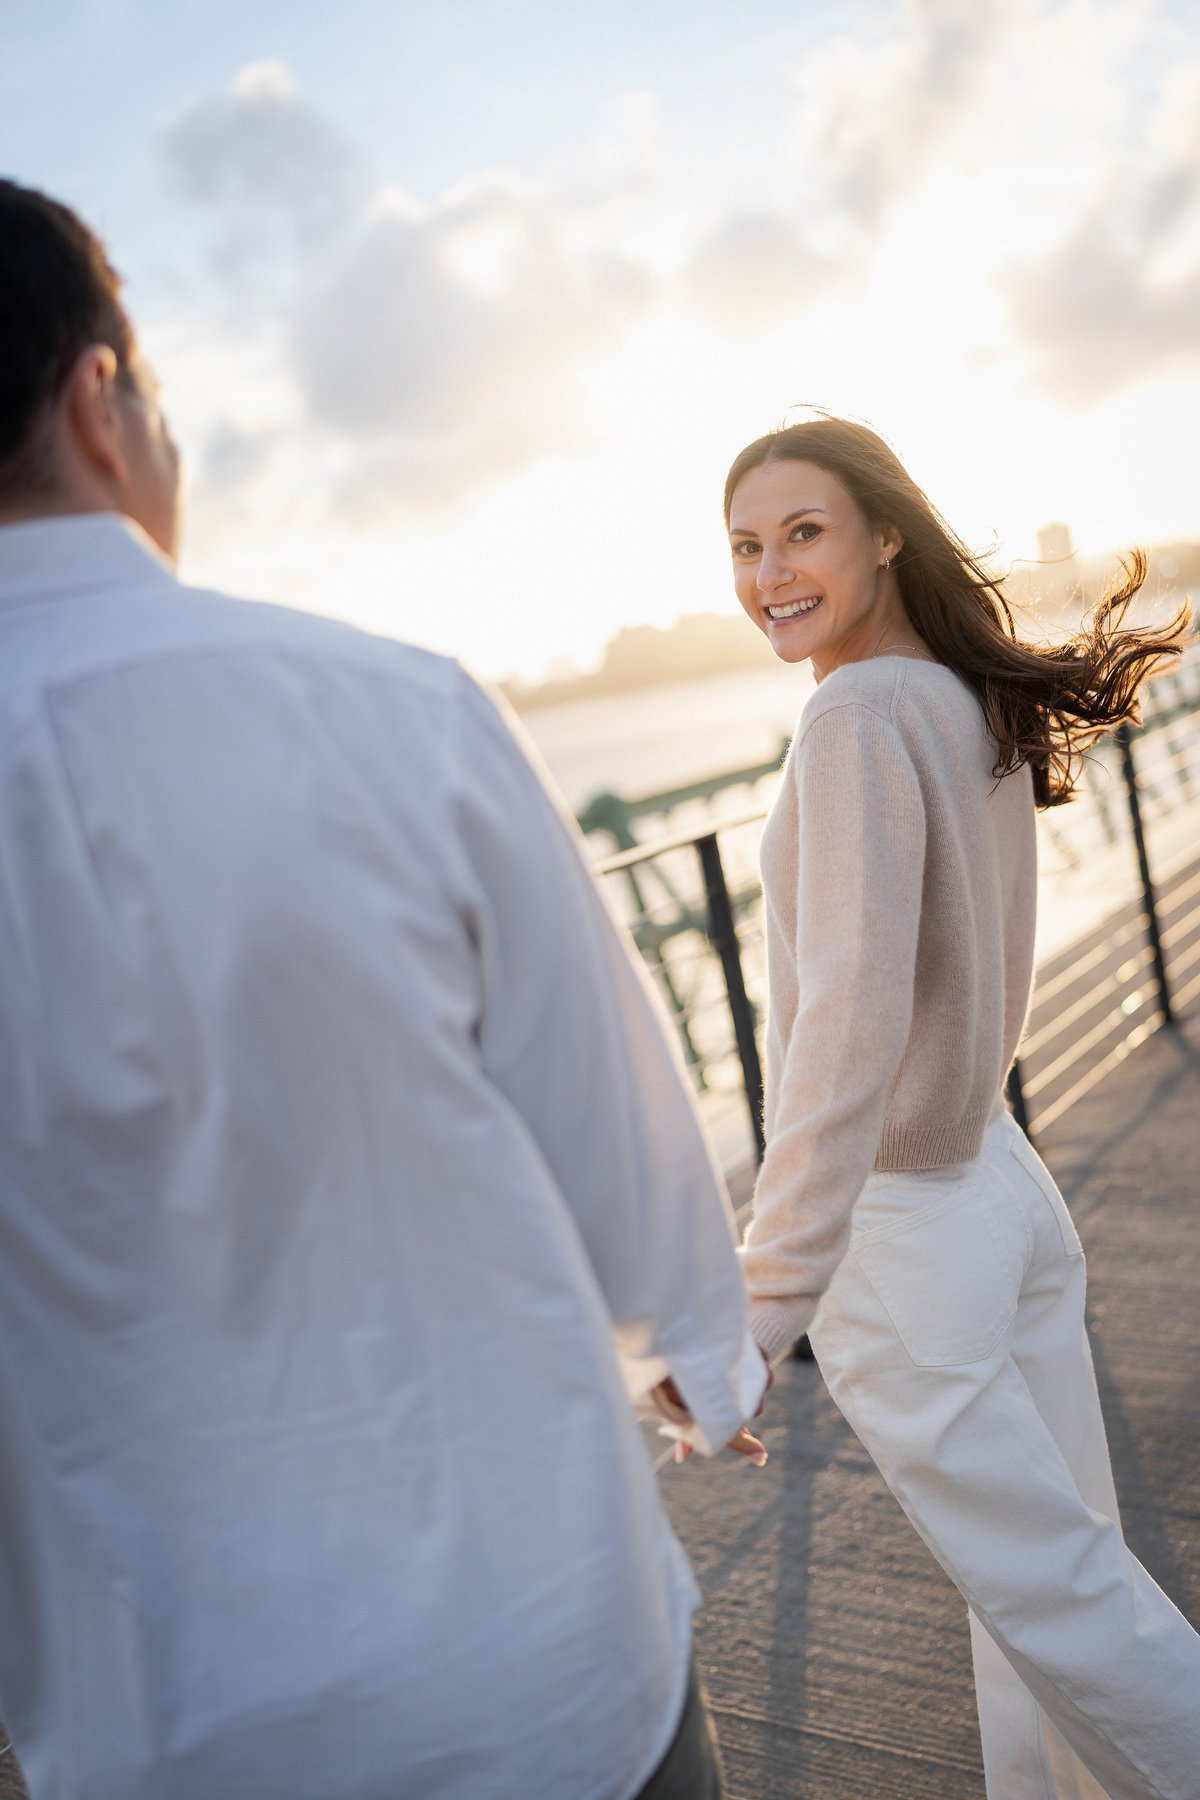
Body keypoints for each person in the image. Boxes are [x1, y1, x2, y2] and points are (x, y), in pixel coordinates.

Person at [0, 178, 769, 1800]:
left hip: (164, 1730)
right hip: (543, 1663)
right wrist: (699, 1339)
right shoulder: (391, 711)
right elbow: (627, 1196)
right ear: (101, 402)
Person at [724, 414, 1200, 1800]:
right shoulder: (946, 693)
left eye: (801, 532)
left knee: (1066, 1607)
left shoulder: (857, 716)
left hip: (909, 1228)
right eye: (747, 547)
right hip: (999, 1187)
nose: (769, 574)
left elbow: (847, 1026)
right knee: (1054, 1595)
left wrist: (765, 1306)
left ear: (884, 531)